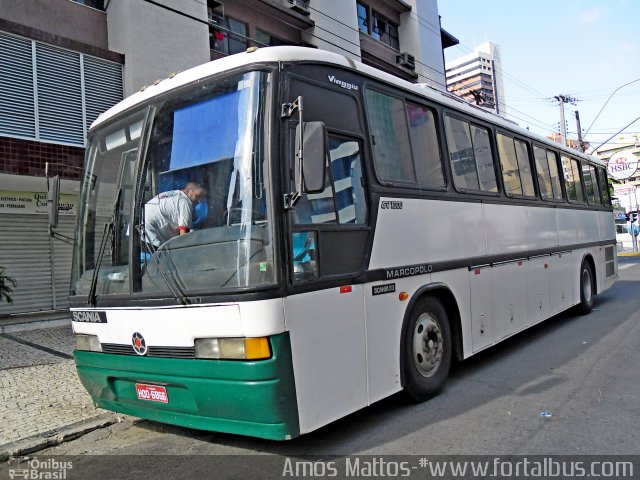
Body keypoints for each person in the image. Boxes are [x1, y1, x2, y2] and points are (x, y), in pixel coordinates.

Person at [144, 182, 206, 247]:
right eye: (198, 196)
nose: (199, 201)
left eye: (202, 197)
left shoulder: (173, 194)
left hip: (143, 221)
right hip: (153, 227)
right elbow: (184, 231)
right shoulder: (185, 201)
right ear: (187, 191)